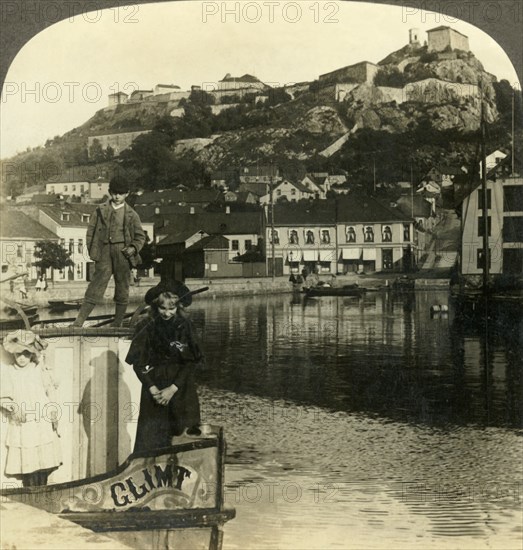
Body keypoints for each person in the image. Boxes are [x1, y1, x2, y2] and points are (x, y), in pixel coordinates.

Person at [125, 280, 203, 452]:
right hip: (155, 390)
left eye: (171, 308)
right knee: (152, 440)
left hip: (181, 389)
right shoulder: (145, 326)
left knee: (183, 440)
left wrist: (173, 389)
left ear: (178, 307)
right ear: (155, 307)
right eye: (162, 308)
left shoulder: (185, 326)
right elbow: (138, 363)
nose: (167, 313)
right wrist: (152, 388)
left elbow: (191, 362)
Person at [71, 176, 145, 327]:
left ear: (127, 194)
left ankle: (117, 324)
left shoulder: (132, 214)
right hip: (104, 251)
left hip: (123, 253)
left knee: (122, 287)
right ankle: (78, 322)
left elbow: (140, 237)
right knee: (95, 286)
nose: (117, 196)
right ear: (110, 192)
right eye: (114, 193)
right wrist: (94, 251)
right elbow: (90, 232)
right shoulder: (99, 210)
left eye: (121, 193)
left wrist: (133, 248)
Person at [0, 330, 61, 487]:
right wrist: (13, 408)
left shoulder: (38, 369)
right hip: (23, 422)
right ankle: (30, 493)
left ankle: (43, 490)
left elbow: (50, 390)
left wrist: (53, 412)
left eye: (26, 354)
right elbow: (3, 396)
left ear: (31, 354)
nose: (21, 358)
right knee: (28, 461)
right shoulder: (9, 372)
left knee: (44, 460)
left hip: (42, 420)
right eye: (18, 354)